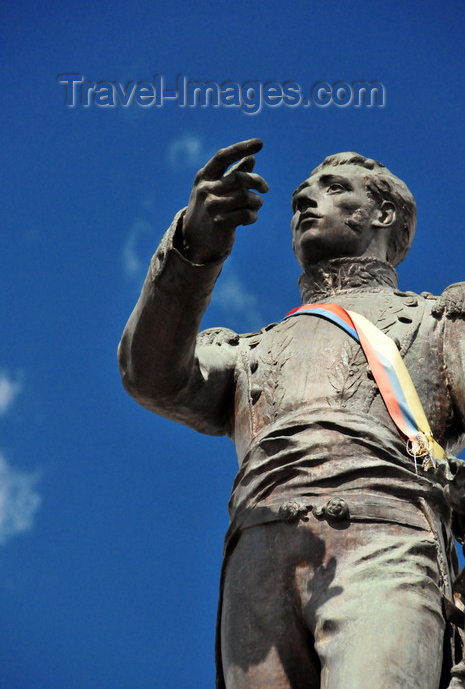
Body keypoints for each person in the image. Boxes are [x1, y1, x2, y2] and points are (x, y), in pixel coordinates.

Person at [118, 139, 465, 689]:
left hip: (386, 546)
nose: (306, 200)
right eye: (301, 195)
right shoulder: (249, 350)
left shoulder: (437, 322)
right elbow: (152, 374)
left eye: (333, 189)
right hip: (256, 560)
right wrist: (194, 247)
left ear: (383, 213)